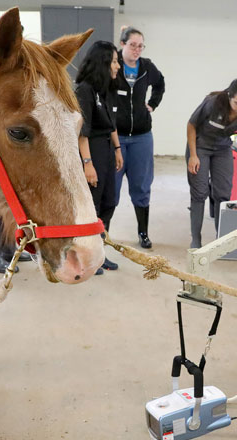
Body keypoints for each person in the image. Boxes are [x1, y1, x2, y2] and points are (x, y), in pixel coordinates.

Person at [187, 78, 237, 249]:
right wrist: (193, 155)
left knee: (223, 194)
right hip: (200, 147)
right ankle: (196, 240)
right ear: (229, 96)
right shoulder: (212, 103)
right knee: (199, 192)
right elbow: (191, 125)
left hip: (222, 149)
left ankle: (220, 241)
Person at [114, 26, 165, 249]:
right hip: (116, 138)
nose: (136, 50)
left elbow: (160, 84)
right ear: (122, 44)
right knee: (110, 189)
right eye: (132, 45)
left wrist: (152, 105)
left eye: (140, 46)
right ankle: (101, 234)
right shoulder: (112, 65)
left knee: (141, 187)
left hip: (142, 137)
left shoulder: (146, 67)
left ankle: (143, 232)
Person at [76, 40, 123, 274]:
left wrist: (117, 149)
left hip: (105, 149)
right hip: (91, 150)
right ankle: (88, 258)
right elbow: (82, 131)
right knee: (91, 206)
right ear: (103, 62)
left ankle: (100, 252)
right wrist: (88, 165)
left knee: (108, 202)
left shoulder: (105, 89)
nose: (117, 66)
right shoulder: (84, 89)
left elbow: (111, 123)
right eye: (114, 61)